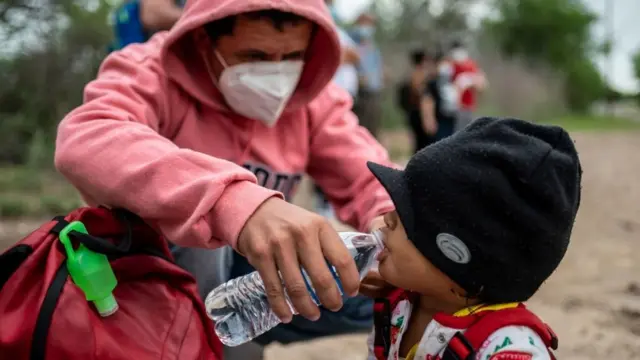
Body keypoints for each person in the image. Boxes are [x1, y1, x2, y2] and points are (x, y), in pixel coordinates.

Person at [55, 0, 395, 356]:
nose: (277, 75)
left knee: (377, 287)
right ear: (204, 41)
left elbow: (369, 175)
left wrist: (393, 223)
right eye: (255, 56)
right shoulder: (150, 70)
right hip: (150, 284)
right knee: (208, 245)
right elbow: (88, 135)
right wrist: (232, 203)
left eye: (292, 56)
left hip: (246, 288)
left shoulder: (312, 101)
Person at [360, 117, 582, 359]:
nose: (387, 218)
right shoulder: (399, 305)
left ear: (456, 264)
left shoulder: (508, 350)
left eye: (408, 217)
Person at [351, 12, 384, 139]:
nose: (368, 27)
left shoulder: (373, 46)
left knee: (373, 132)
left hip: (374, 93)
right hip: (359, 95)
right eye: (365, 23)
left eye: (371, 24)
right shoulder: (350, 42)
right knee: (360, 132)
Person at [446, 40, 487, 131]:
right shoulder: (450, 65)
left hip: (466, 107)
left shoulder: (470, 65)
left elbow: (481, 85)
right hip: (452, 109)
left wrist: (469, 82)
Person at [111, 0, 184, 50]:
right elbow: (152, 16)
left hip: (132, 60)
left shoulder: (125, 9)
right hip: (148, 59)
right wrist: (192, 15)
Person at [420, 50, 457, 145]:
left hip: (451, 118)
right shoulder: (432, 82)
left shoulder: (451, 81)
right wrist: (428, 119)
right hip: (439, 121)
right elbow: (427, 101)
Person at [397, 50, 430, 154]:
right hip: (418, 113)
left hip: (413, 113)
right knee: (422, 142)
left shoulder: (409, 74)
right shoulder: (419, 75)